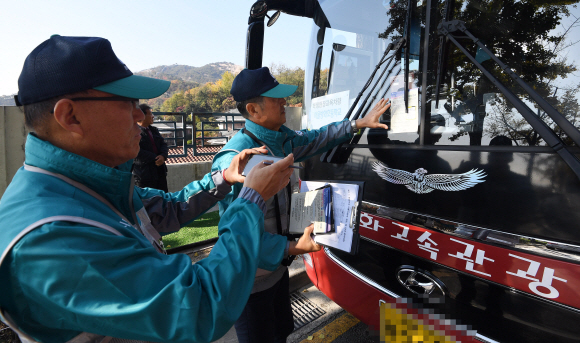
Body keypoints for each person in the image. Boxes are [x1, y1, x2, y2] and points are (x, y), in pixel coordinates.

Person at [0, 35, 296, 343]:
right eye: (126, 103)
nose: (140, 116)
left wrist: (224, 178)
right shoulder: (52, 237)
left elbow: (167, 209)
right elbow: (197, 306)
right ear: (70, 116)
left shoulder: (81, 188)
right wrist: (251, 199)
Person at [211, 67, 391, 343]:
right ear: (253, 109)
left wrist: (358, 124)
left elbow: (318, 137)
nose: (284, 103)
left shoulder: (280, 140)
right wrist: (293, 247)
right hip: (249, 280)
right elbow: (236, 235)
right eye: (276, 98)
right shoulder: (237, 160)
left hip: (277, 269)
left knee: (281, 331)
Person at [132, 104, 169, 191]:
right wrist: (155, 158)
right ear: (142, 115)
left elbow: (163, 144)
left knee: (163, 198)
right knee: (148, 201)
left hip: (160, 171)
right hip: (144, 174)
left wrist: (163, 156)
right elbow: (136, 150)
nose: (153, 116)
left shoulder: (154, 130)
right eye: (150, 114)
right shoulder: (133, 132)